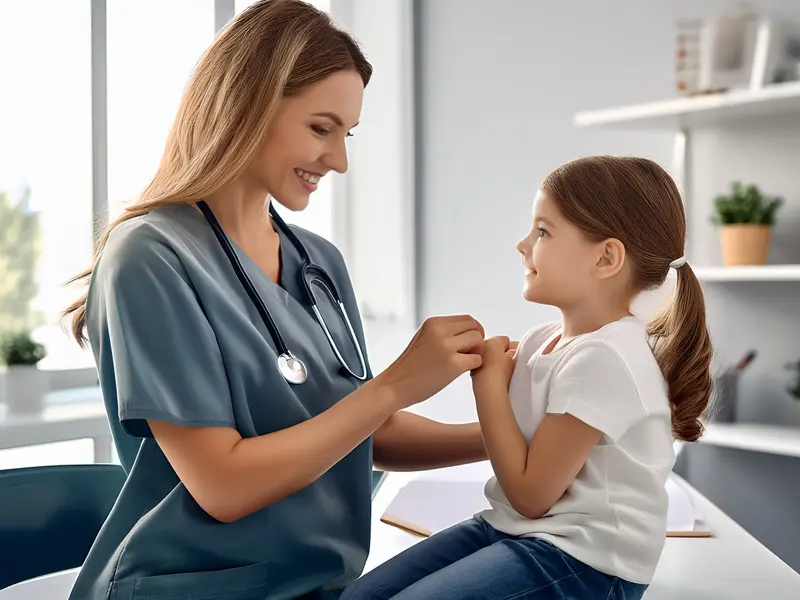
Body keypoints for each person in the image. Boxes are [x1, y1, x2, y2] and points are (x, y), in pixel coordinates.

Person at [62, 2, 488, 599]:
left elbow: (368, 434)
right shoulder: (150, 257)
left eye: (347, 134)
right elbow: (224, 485)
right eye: (321, 128)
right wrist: (395, 383)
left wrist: (508, 435)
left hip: (317, 587)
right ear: (247, 104)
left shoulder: (319, 264)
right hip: (186, 589)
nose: (339, 160)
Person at [340, 155, 714, 600]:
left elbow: (532, 495)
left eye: (543, 231)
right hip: (513, 530)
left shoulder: (608, 359)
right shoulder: (542, 341)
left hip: (587, 561)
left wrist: (488, 387)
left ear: (607, 257)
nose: (522, 245)